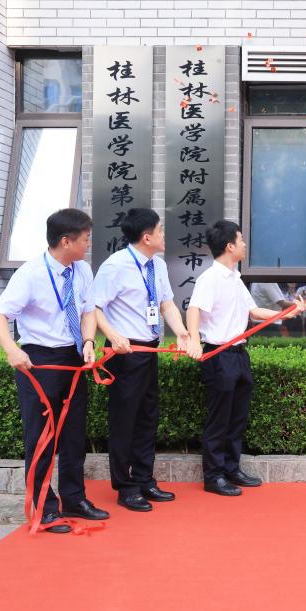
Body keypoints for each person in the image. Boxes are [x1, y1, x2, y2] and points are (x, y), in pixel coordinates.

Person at [0, 209, 109, 534]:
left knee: (74, 435)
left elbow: (87, 310)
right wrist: (12, 350)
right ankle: (45, 509)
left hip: (74, 357)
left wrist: (89, 341)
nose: (88, 244)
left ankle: (74, 499)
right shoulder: (30, 274)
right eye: (85, 239)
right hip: (40, 361)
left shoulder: (82, 270)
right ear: (66, 241)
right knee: (42, 437)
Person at [185, 221, 306, 497]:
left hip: (239, 354)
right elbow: (194, 310)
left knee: (237, 417)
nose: (244, 244)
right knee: (219, 419)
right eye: (240, 240)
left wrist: (287, 313)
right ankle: (213, 476)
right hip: (218, 354)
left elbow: (254, 311)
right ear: (229, 246)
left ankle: (231, 468)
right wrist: (193, 339)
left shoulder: (235, 278)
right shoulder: (210, 278)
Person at [92, 208, 191, 512]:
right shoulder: (115, 266)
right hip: (124, 353)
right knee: (125, 421)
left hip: (149, 351)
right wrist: (113, 335)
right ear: (147, 237)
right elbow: (94, 307)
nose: (164, 235)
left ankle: (145, 479)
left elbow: (166, 305)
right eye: (160, 230)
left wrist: (182, 333)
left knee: (148, 417)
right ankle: (126, 487)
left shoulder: (157, 265)